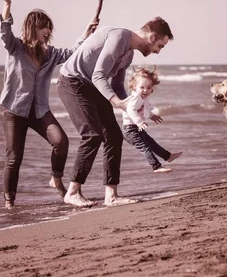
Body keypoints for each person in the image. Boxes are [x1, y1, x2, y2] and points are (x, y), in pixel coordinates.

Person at [56, 17, 174, 207]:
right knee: (92, 135)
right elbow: (98, 75)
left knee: (114, 136)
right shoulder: (120, 36)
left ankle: (111, 196)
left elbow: (117, 85)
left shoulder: (128, 55)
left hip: (93, 86)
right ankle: (72, 192)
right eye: (160, 46)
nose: (157, 52)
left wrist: (130, 105)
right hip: (73, 82)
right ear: (152, 37)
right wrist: (118, 103)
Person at [0, 0, 98, 209]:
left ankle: (56, 178)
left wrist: (86, 33)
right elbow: (4, 31)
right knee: (14, 158)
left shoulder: (50, 53)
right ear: (34, 27)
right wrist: (7, 5)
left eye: (49, 29)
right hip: (15, 110)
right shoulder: (16, 47)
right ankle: (9, 203)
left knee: (61, 142)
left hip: (39, 110)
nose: (49, 32)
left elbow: (72, 51)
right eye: (45, 27)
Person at [122, 66, 182, 173]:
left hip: (135, 128)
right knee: (145, 148)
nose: (145, 90)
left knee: (152, 143)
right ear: (134, 87)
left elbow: (144, 110)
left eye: (149, 88)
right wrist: (139, 122)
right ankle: (156, 166)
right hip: (130, 130)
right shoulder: (135, 98)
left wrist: (152, 116)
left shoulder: (142, 98)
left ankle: (168, 156)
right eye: (142, 87)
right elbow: (131, 110)